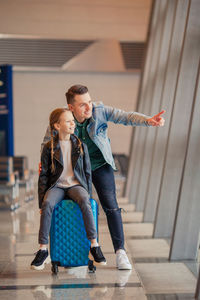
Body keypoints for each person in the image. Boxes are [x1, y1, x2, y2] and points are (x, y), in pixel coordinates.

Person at [42, 84, 165, 270]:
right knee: (76, 205)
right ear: (71, 107)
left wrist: (148, 121)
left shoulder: (99, 110)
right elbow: (48, 141)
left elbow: (125, 116)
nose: (89, 107)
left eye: (89, 101)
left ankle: (120, 252)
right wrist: (44, 163)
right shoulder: (63, 118)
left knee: (111, 206)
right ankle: (76, 253)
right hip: (77, 170)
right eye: (83, 104)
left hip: (100, 166)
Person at [31, 108, 106, 270]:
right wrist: (40, 202)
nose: (73, 123)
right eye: (68, 121)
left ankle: (94, 245)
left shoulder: (80, 145)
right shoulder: (49, 148)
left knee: (84, 200)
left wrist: (88, 195)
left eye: (73, 120)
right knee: (48, 204)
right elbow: (43, 176)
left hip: (76, 185)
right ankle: (43, 249)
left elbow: (87, 174)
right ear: (57, 126)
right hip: (56, 186)